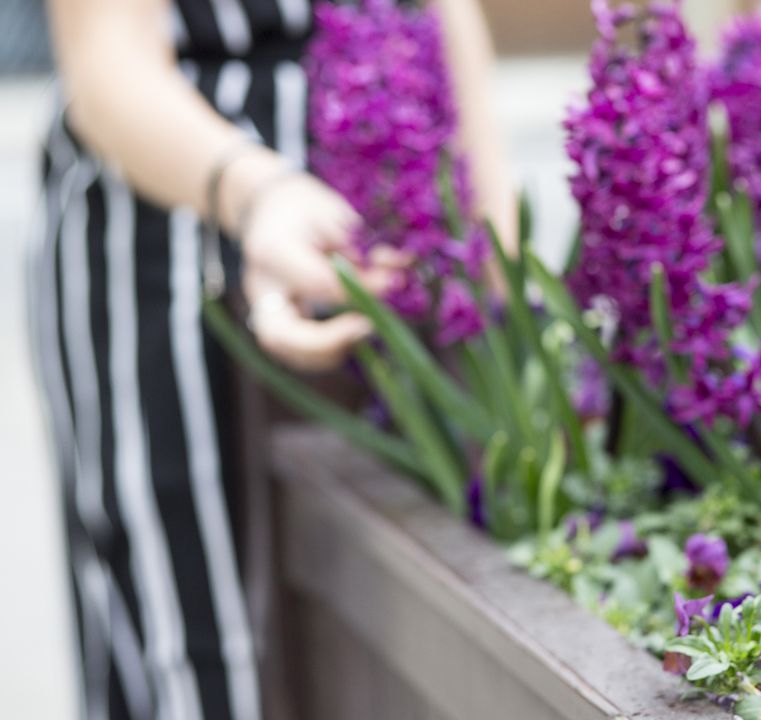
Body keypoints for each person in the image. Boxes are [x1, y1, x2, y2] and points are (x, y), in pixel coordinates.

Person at [31, 0, 510, 717]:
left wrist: (495, 259)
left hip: (405, 252)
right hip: (179, 251)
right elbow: (108, 64)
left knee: (403, 645)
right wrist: (262, 195)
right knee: (217, 658)